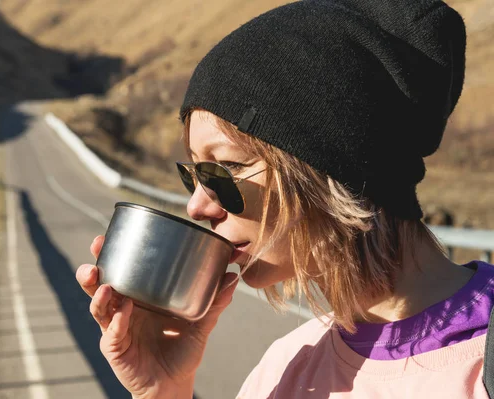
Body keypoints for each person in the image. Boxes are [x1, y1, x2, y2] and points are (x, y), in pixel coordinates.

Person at [76, 0, 494, 397]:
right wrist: (163, 390)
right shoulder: (285, 365)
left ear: (326, 166)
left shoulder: (478, 369)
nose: (197, 207)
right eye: (194, 175)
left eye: (225, 169)